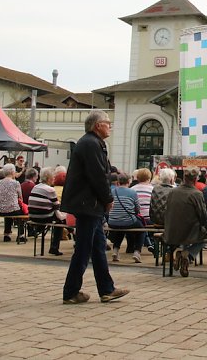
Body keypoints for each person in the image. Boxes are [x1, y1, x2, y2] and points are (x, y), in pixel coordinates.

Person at [61, 110, 129, 304]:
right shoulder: (91, 144)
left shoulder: (91, 143)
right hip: (88, 204)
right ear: (98, 125)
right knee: (83, 248)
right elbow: (97, 175)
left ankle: (106, 289)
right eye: (108, 123)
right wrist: (108, 198)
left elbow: (101, 172)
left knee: (97, 246)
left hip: (89, 204)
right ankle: (71, 291)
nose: (110, 126)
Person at [164, 167, 207, 277]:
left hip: (170, 231)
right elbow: (203, 215)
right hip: (189, 232)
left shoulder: (172, 191)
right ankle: (187, 254)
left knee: (187, 230)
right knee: (206, 239)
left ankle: (184, 255)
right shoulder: (196, 194)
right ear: (196, 179)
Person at [28, 166, 66, 256]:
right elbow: (57, 206)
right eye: (53, 177)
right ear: (49, 178)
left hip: (32, 216)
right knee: (60, 222)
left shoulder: (35, 187)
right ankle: (54, 247)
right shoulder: (50, 189)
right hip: (44, 217)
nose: (53, 179)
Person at [108, 174, 144, 263]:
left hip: (112, 221)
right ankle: (137, 252)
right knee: (142, 230)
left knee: (121, 228)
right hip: (128, 221)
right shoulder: (132, 192)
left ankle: (115, 251)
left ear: (118, 182)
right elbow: (138, 209)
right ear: (128, 182)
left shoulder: (112, 191)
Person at [0, 165, 27, 244]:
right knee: (19, 211)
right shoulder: (16, 183)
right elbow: (20, 197)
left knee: (8, 209)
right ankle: (21, 235)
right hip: (12, 209)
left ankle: (7, 234)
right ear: (13, 172)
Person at [130, 168, 155, 256]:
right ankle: (150, 244)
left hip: (137, 218)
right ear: (149, 178)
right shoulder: (153, 189)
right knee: (145, 223)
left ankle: (146, 245)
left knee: (141, 224)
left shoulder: (132, 189)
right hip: (150, 218)